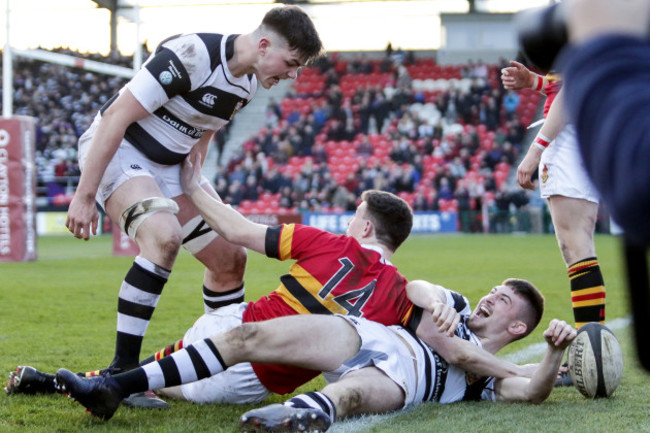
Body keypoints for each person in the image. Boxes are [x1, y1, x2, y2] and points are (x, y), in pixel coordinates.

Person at [62, 4, 324, 390]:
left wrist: (196, 168)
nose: (293, 74)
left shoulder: (248, 83)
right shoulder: (192, 55)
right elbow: (117, 115)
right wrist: (84, 195)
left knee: (230, 257)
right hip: (122, 152)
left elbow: (208, 124)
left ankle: (219, 364)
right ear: (264, 45)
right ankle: (121, 373)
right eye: (290, 62)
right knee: (163, 236)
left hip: (171, 167)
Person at [54, 278, 576, 429]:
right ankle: (110, 387)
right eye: (496, 290)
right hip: (367, 336)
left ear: (518, 324)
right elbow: (415, 287)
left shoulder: (492, 379)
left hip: (407, 383)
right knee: (246, 340)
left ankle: (292, 418)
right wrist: (437, 300)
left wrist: (553, 356)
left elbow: (530, 390)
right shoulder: (455, 307)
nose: (490, 297)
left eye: (503, 301)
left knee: (351, 396)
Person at [501, 62, 607, 331]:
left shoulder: (583, 24)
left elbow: (572, 87)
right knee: (573, 245)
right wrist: (535, 82)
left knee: (576, 245)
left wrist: (535, 150)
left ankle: (593, 346)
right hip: (579, 128)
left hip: (569, 132)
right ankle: (593, 345)